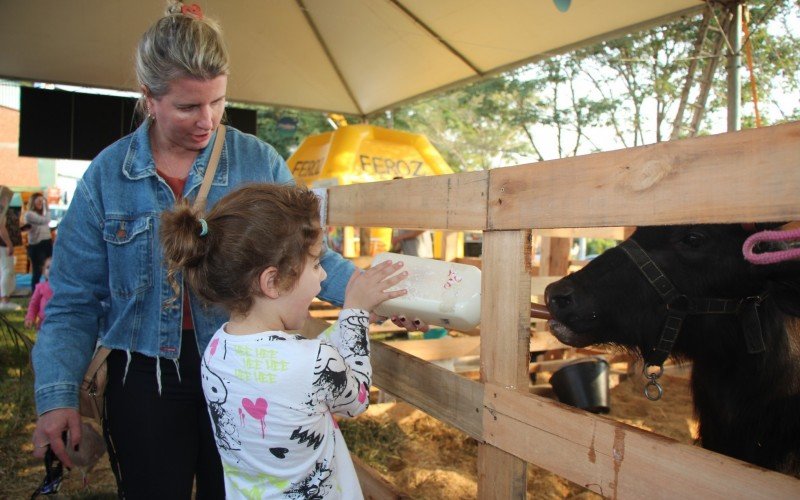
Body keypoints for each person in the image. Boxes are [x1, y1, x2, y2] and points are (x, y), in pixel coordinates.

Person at [29, 2, 422, 497]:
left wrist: (380, 296)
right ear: (148, 98)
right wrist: (57, 396)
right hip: (144, 375)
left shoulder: (258, 159)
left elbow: (309, 256)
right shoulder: (106, 178)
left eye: (217, 102)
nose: (207, 120)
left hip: (247, 367)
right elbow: (72, 301)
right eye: (189, 107)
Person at [161, 183, 406, 498]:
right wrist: (355, 315)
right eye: (316, 263)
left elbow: (306, 365)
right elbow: (356, 399)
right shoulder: (311, 360)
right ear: (272, 281)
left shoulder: (216, 350)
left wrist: (355, 320)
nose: (323, 276)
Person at [23, 193, 53, 291]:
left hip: (47, 242)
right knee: (38, 271)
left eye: (42, 200)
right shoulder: (29, 214)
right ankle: (35, 294)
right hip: (37, 245)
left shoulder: (42, 214)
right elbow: (44, 221)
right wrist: (47, 207)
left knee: (50, 269)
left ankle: (48, 291)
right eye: (39, 200)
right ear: (33, 201)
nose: (41, 203)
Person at [0, 186, 21, 311]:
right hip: (2, 244)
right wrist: (9, 244)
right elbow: (2, 229)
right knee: (7, 270)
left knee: (3, 271)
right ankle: (5, 299)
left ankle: (4, 297)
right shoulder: (2, 209)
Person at [25, 257, 53, 330]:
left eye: (55, 267)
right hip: (43, 324)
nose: (51, 270)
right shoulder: (40, 287)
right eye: (48, 267)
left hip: (59, 323)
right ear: (43, 271)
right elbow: (34, 304)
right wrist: (30, 318)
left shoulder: (64, 288)